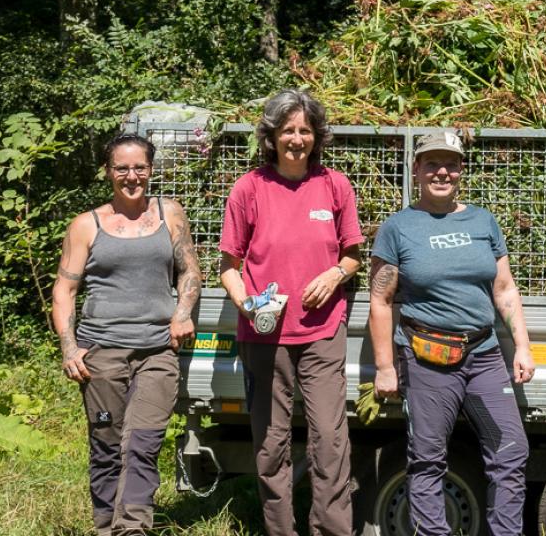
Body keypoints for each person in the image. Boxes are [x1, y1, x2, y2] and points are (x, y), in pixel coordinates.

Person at [367, 130, 536, 536]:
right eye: (431, 164)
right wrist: (385, 366)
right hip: (428, 359)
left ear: (461, 170)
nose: (441, 172)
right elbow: (380, 299)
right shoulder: (398, 228)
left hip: (485, 355)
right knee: (427, 459)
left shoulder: (482, 221)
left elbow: (504, 288)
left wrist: (523, 346)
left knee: (511, 451)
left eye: (451, 164)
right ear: (416, 170)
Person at [219, 90, 363, 536]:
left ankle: (331, 530)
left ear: (317, 137)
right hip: (264, 337)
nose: (296, 139)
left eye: (304, 130)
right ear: (271, 136)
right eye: (287, 131)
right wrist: (247, 303)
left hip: (321, 333)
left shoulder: (335, 185)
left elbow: (354, 254)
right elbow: (229, 266)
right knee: (270, 444)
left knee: (329, 442)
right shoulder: (249, 188)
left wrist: (334, 276)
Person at [50, 133, 199, 536]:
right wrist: (69, 349)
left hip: (157, 351)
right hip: (101, 352)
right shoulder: (86, 225)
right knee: (106, 445)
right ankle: (106, 526)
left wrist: (182, 312)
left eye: (139, 168)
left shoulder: (170, 213)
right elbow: (64, 289)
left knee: (143, 443)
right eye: (122, 168)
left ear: (150, 170)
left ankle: (132, 528)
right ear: (108, 172)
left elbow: (189, 270)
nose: (131, 176)